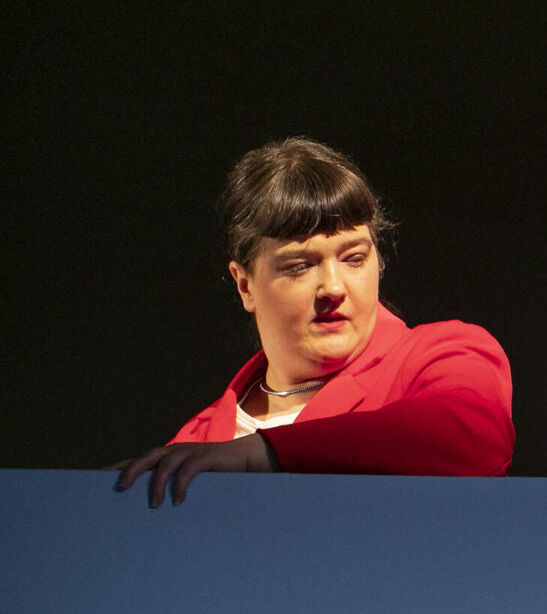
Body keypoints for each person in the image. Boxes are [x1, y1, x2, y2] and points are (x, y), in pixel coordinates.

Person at [114, 138, 515, 506]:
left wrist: (264, 452)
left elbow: (473, 435)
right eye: (300, 266)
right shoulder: (199, 439)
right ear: (245, 285)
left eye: (354, 258)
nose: (333, 288)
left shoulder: (439, 355)